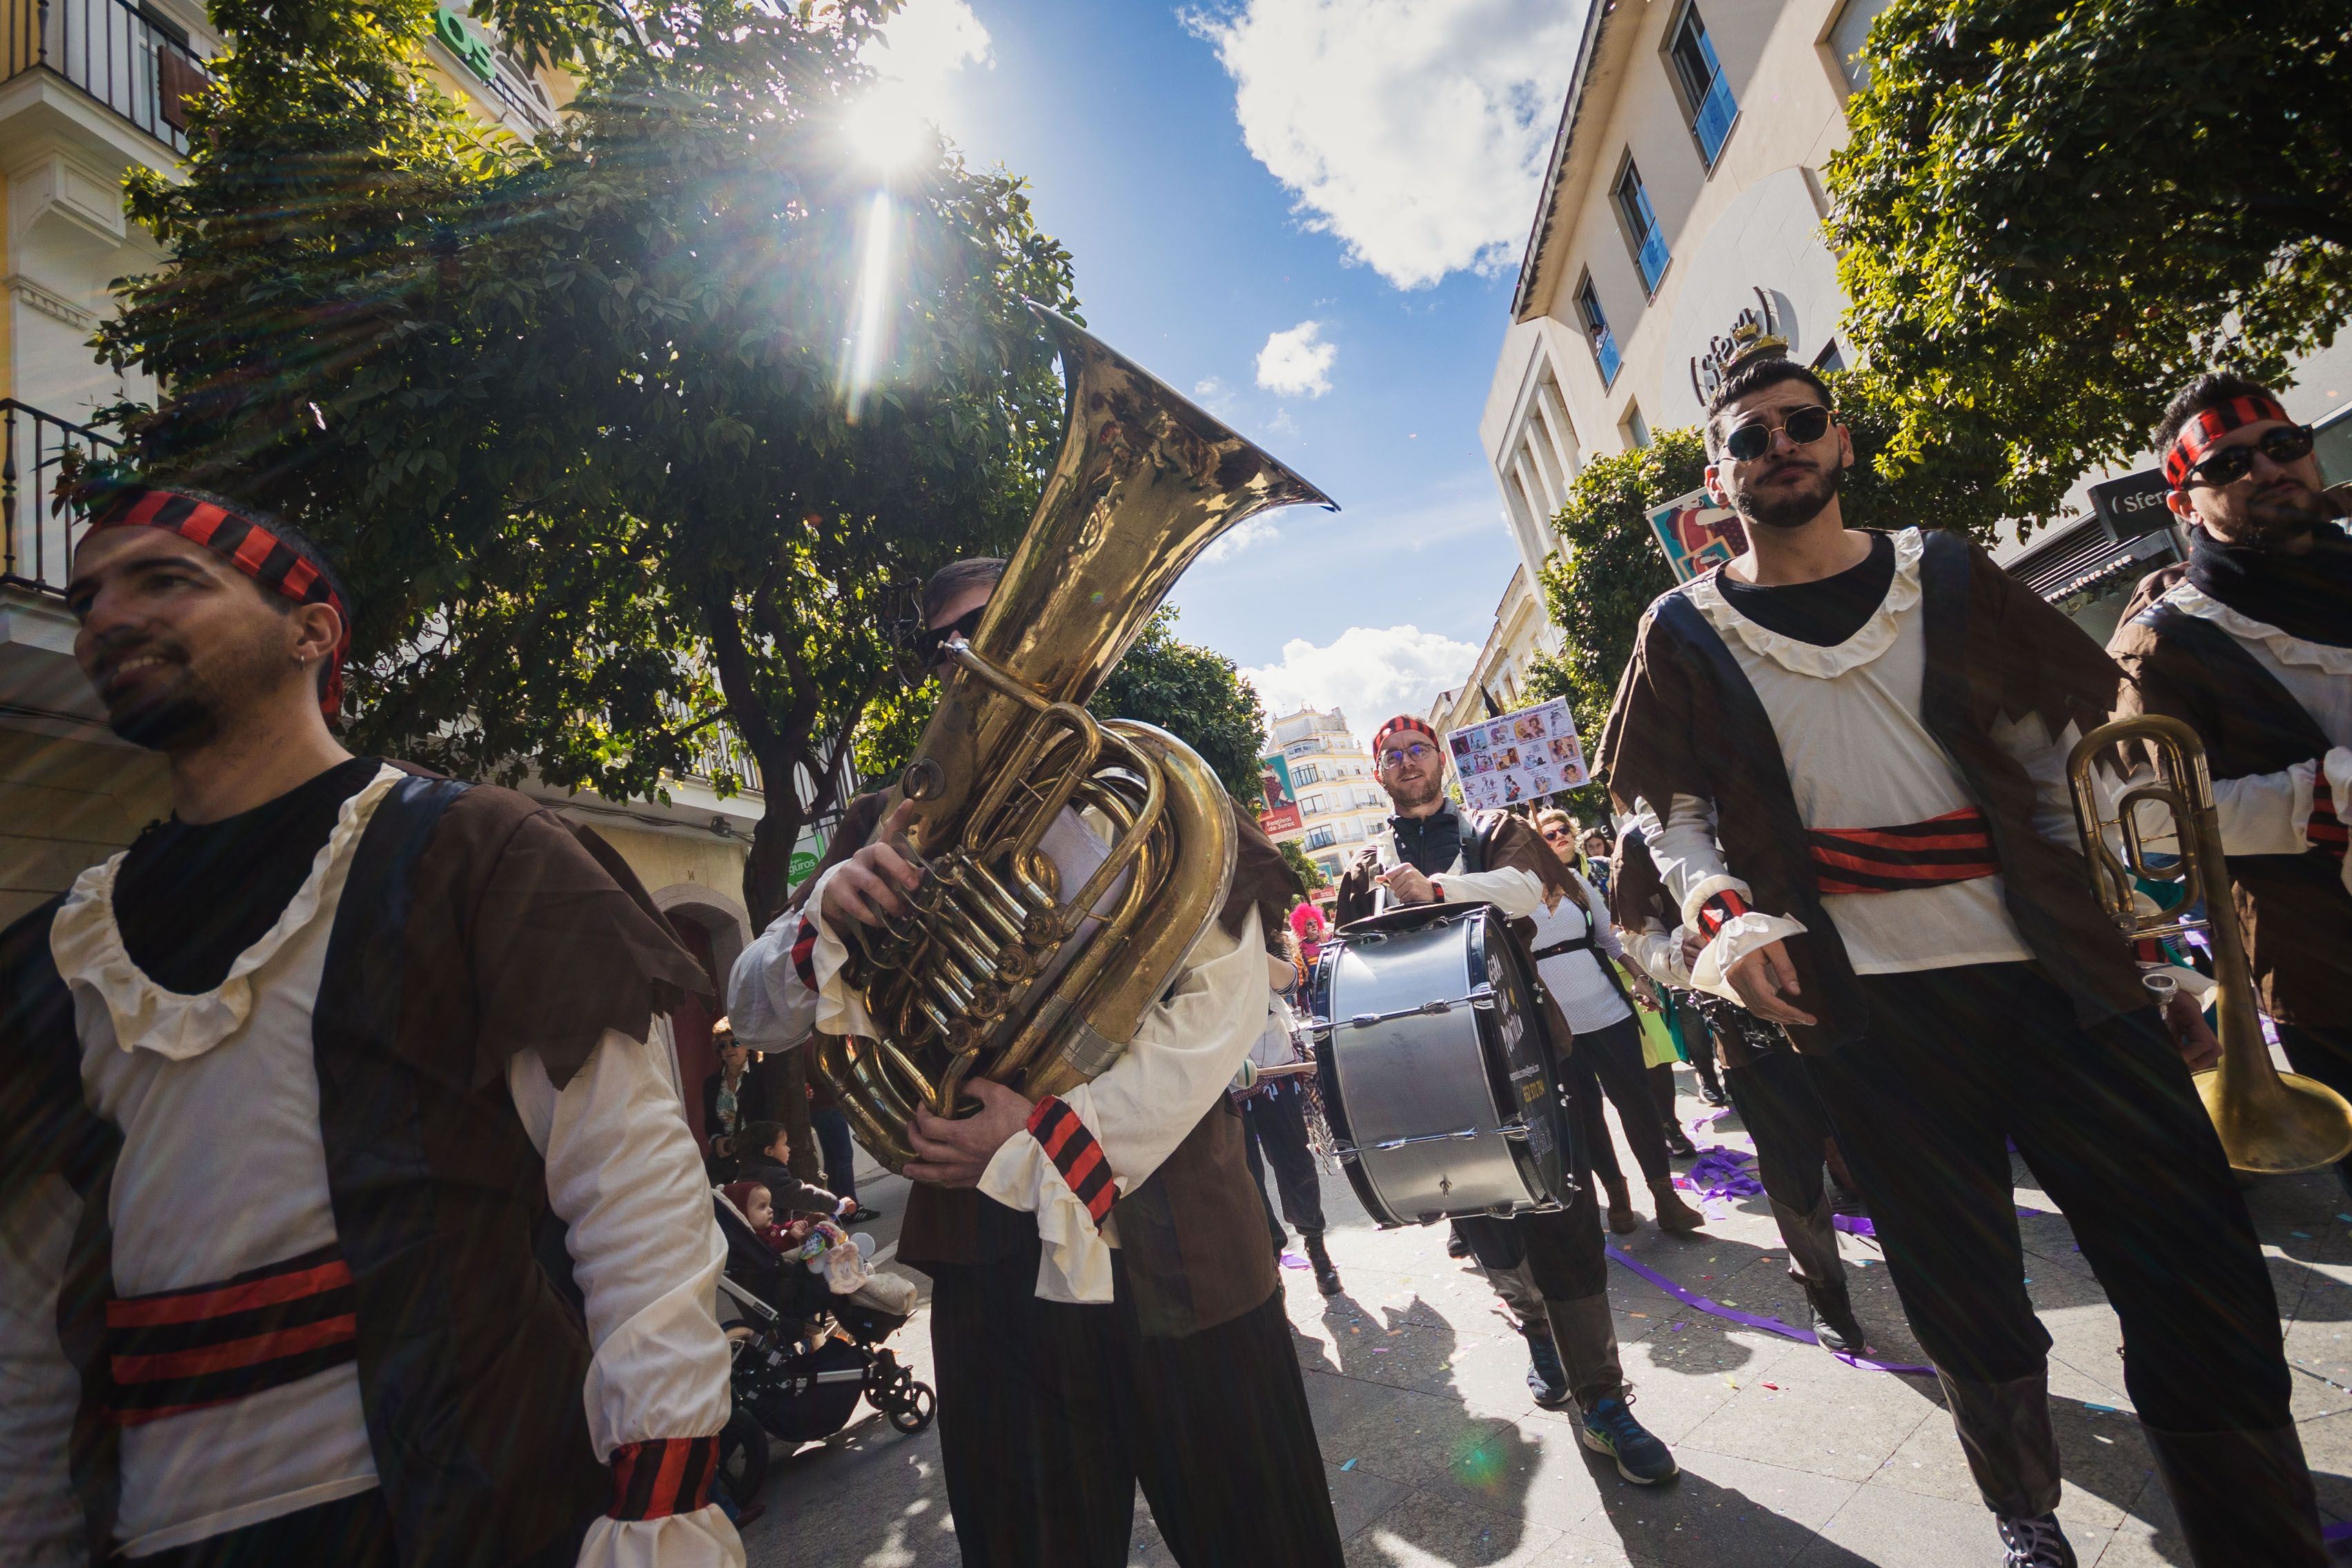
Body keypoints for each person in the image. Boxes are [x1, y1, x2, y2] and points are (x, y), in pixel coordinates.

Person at [1596, 355, 2320, 1567]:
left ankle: (2259, 1538)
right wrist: (1715, 911)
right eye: (1749, 437)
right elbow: (1667, 809)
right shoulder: (1679, 627)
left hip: (2055, 982)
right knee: (1961, 1289)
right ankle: (2023, 1509)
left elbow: (2056, 760)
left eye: (1801, 424)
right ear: (1716, 482)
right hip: (1871, 1015)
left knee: (2192, 1258)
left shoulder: (1945, 572)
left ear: (1839, 446)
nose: (1779, 444)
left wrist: (2139, 950)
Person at [0, 487, 741, 1567]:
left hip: (480, 1515)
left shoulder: (475, 855)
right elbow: (23, 1324)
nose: (108, 615)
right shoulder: (48, 959)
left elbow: (634, 1196)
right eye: (87, 597)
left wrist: (659, 1512)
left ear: (313, 632)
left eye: (166, 580)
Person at [727, 558, 1344, 1567]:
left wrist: (1044, 1137)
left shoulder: (1161, 789)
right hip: (990, 1273)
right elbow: (754, 1013)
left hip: (1185, 1242)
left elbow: (1226, 1006)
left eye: (1005, 631)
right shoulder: (891, 824)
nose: (978, 659)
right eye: (952, 646)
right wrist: (823, 911)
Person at [1334, 716, 1677, 1486]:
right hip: (1429, 1083)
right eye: (1390, 755)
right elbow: (1343, 957)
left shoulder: (1494, 829)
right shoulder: (1362, 865)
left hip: (1526, 1059)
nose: (1405, 761)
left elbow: (1534, 890)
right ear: (1378, 774)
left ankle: (1603, 1401)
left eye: (1417, 748)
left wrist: (1440, 889)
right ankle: (1534, 1330)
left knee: (1564, 1222)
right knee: (1488, 1233)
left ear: (1441, 763)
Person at [2108, 373, 2352, 1198]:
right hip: (2333, 970)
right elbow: (2154, 828)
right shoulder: (2164, 642)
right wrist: (2323, 797)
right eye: (2227, 463)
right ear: (2185, 500)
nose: (2268, 469)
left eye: (2284, 446)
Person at [1609, 821, 1871, 1355]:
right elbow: (1637, 935)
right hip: (1749, 1032)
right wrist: (1677, 960)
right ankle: (1825, 1289)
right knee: (1790, 1163)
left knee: (1871, 1137)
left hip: (1845, 996)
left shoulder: (1764, 782)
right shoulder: (1641, 836)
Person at [1528, 809, 1703, 1235]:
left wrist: (1641, 978)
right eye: (1542, 838)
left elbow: (1607, 938)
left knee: (1637, 1102)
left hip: (1607, 1008)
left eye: (1559, 833)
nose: (1553, 841)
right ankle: (1617, 1195)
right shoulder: (1511, 895)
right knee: (1584, 1111)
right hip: (1557, 1021)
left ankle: (1665, 1195)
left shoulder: (1579, 884)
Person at [1233, 951, 1342, 1295]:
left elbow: (1290, 982)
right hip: (1221, 1075)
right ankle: (1269, 1258)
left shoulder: (1257, 928)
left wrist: (1245, 938)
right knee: (1244, 1174)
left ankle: (1315, 1245)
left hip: (1275, 1065)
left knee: (1295, 1161)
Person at [733, 1120, 857, 1222]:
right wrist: (838, 1205)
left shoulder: (746, 1174)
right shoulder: (772, 1176)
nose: (788, 1149)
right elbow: (804, 1195)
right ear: (769, 1151)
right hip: (774, 1238)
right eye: (784, 1144)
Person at [698, 1021, 771, 1182]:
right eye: (723, 1045)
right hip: (728, 1159)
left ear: (748, 1046)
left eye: (735, 1042)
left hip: (760, 1155)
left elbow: (770, 1116)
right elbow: (711, 1123)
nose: (729, 1049)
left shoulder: (764, 1075)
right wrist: (717, 1140)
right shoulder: (711, 1084)